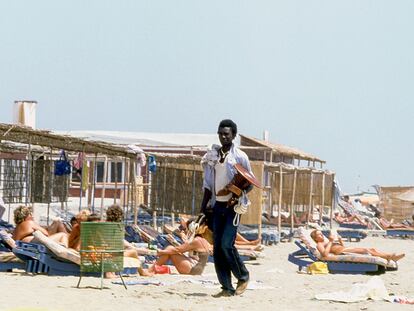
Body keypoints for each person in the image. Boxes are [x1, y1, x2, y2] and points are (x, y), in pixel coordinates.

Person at [200, 119, 252, 297]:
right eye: (221, 133)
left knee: (226, 244)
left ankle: (243, 276)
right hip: (217, 207)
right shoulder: (212, 157)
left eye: (227, 134)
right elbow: (208, 184)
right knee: (217, 249)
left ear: (234, 136)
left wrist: (237, 194)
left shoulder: (240, 157)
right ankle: (226, 287)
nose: (223, 136)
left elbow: (250, 183)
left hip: (233, 207)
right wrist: (203, 209)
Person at [146, 224, 212, 276]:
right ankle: (151, 268)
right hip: (198, 269)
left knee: (169, 248)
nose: (186, 231)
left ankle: (150, 270)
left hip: (193, 270)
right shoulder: (203, 240)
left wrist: (161, 251)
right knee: (169, 250)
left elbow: (177, 250)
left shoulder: (196, 240)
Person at [310, 229, 405, 262]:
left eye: (321, 233)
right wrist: (330, 241)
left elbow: (341, 245)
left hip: (345, 248)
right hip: (342, 252)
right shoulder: (319, 244)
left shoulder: (326, 240)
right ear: (315, 238)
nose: (321, 234)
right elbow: (325, 255)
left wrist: (339, 240)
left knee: (372, 249)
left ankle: (390, 256)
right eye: (319, 234)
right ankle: (390, 257)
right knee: (367, 251)